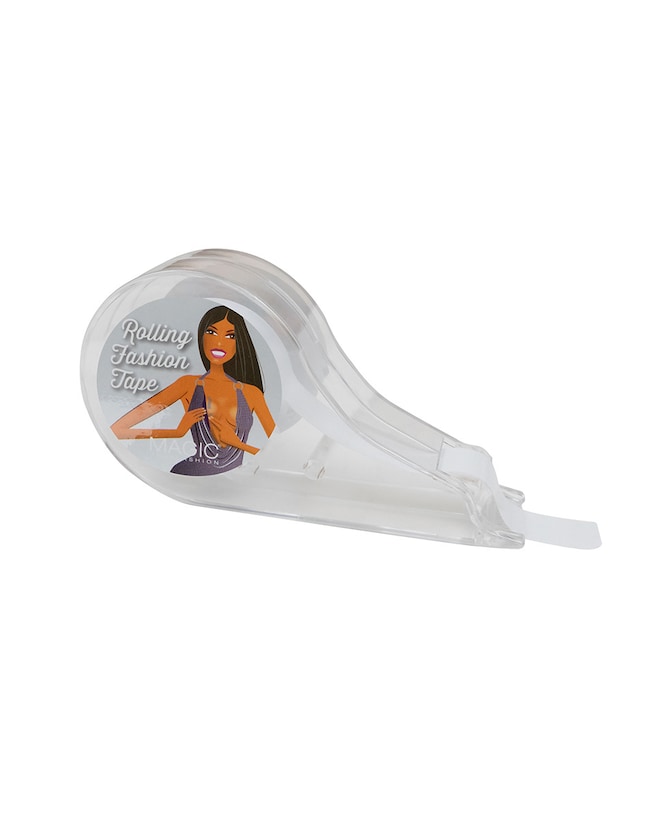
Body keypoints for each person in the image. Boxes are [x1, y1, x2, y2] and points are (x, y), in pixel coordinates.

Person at [111, 306, 275, 475]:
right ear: (201, 336)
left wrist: (239, 444)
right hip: (186, 477)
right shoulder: (188, 384)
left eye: (230, 336)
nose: (219, 342)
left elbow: (278, 453)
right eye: (211, 332)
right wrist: (177, 432)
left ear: (239, 343)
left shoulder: (251, 393)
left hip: (233, 482)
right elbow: (116, 431)